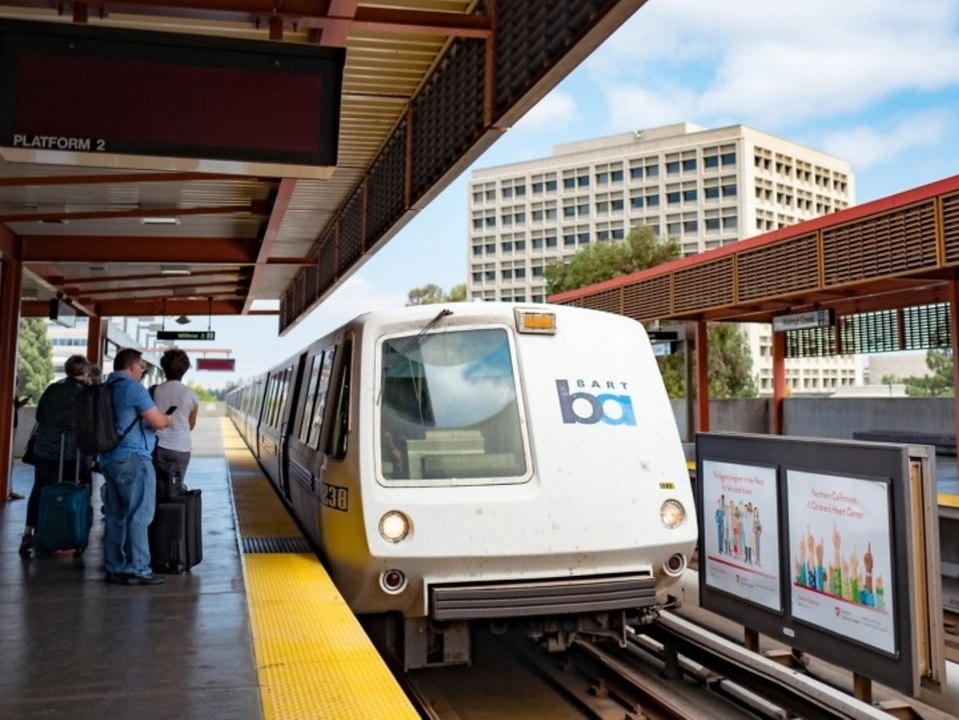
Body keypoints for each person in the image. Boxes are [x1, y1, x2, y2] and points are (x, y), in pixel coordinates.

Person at [99, 348, 171, 585]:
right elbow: (158, 422)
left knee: (115, 515)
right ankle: (139, 568)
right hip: (134, 460)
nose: (142, 371)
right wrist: (167, 418)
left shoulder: (105, 389)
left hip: (109, 460)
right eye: (142, 367)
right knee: (140, 514)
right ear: (132, 366)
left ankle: (115, 567)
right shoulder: (133, 389)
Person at [18, 355, 90, 555]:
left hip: (44, 449)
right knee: (69, 490)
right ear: (85, 372)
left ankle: (28, 533)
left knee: (40, 489)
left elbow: (40, 416)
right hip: (70, 452)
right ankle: (67, 534)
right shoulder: (83, 393)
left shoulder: (52, 388)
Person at [152, 349, 199, 484]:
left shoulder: (156, 391)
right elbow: (191, 425)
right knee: (175, 487)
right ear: (184, 370)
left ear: (164, 367)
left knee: (158, 486)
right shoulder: (191, 394)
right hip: (181, 447)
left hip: (159, 446)